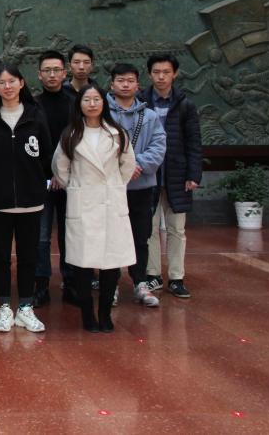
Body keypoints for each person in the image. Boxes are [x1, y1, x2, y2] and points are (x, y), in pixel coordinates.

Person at [52, 84, 136, 333]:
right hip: (84, 203)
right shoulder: (70, 134)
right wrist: (77, 188)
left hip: (110, 202)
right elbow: (60, 168)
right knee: (82, 264)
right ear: (79, 104)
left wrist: (113, 186)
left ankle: (105, 313)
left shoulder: (117, 133)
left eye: (96, 99)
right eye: (86, 99)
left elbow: (127, 166)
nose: (92, 104)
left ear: (104, 103)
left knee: (111, 263)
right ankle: (87, 313)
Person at [0, 64, 52, 333]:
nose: (7, 86)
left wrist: (35, 180)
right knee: (0, 257)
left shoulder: (35, 115)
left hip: (31, 199)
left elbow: (46, 155)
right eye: (2, 82)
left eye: (12, 81)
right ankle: (6, 307)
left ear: (21, 83)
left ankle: (26, 308)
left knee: (28, 256)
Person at [141, 54, 202, 299]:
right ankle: (153, 274)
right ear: (149, 74)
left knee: (177, 229)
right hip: (149, 176)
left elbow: (194, 142)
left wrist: (193, 174)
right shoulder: (141, 102)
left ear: (174, 74)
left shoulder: (185, 105)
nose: (161, 77)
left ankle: (176, 278)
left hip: (177, 175)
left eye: (166, 72)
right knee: (149, 228)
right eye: (156, 72)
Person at [108, 63, 167, 308]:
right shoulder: (102, 114)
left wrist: (136, 164)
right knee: (110, 237)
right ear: (112, 84)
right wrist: (123, 167)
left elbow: (158, 145)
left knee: (140, 236)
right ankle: (110, 285)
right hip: (110, 187)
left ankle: (140, 282)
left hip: (141, 186)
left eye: (130, 80)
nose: (125, 85)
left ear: (138, 85)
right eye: (120, 80)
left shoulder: (150, 116)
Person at [33, 50, 76, 307]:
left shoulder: (75, 103)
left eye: (56, 70)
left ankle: (70, 283)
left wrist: (63, 173)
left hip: (71, 179)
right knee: (41, 236)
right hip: (42, 181)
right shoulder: (33, 105)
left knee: (70, 233)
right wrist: (50, 175)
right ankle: (41, 285)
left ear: (64, 73)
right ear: (39, 74)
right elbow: (34, 144)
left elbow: (78, 141)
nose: (52, 75)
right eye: (47, 70)